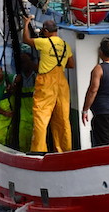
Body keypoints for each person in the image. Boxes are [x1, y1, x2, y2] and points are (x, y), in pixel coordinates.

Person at [22, 16, 75, 152]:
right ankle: (65, 150)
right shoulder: (65, 45)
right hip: (62, 83)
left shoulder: (44, 43)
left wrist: (26, 23)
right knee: (63, 118)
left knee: (41, 116)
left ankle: (39, 150)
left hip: (46, 83)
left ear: (45, 31)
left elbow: (26, 40)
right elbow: (71, 64)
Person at [15, 51, 37, 150]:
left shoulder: (37, 77)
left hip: (37, 114)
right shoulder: (18, 79)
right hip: (24, 115)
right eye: (22, 62)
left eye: (26, 61)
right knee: (22, 141)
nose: (24, 64)